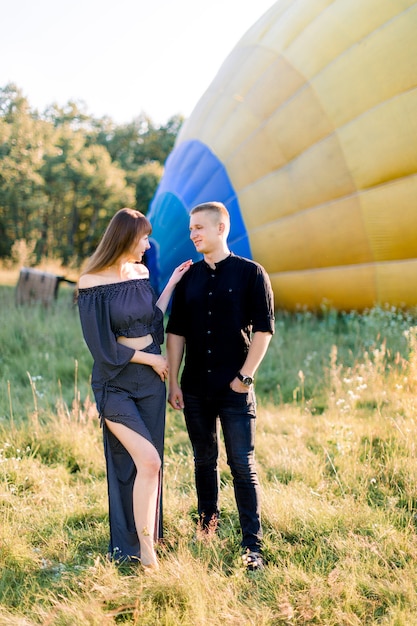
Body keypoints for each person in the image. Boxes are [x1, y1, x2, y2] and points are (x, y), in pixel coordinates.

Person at [77, 207, 191, 572]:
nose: (148, 244)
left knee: (150, 467)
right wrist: (153, 360)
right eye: (143, 237)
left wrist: (171, 284)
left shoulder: (141, 272)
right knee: (148, 460)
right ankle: (146, 552)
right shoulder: (91, 282)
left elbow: (151, 321)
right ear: (125, 237)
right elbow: (104, 349)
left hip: (149, 385)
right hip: (115, 384)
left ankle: (145, 541)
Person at [166, 201, 275, 571]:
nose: (192, 233)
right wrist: (174, 381)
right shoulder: (188, 278)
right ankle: (206, 531)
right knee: (203, 461)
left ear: (220, 228)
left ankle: (252, 547)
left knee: (242, 465)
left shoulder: (252, 274)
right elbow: (175, 332)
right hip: (194, 387)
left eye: (199, 227)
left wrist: (245, 378)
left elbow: (264, 330)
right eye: (191, 228)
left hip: (235, 388)